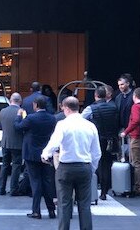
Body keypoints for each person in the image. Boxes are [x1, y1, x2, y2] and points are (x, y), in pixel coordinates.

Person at [42, 96, 101, 230]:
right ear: (78, 108)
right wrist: (91, 168)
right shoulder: (90, 126)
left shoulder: (63, 124)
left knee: (64, 204)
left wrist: (45, 154)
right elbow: (96, 152)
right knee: (85, 204)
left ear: (66, 108)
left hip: (66, 167)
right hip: (84, 166)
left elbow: (54, 143)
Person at [15, 96, 57, 219]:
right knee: (47, 182)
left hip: (31, 154)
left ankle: (36, 211)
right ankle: (51, 210)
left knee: (36, 182)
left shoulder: (31, 118)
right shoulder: (52, 118)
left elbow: (18, 127)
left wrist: (18, 116)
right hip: (46, 153)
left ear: (35, 105)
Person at [81, 86, 119, 200]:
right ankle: (104, 191)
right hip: (111, 139)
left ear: (96, 95)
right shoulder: (114, 107)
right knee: (106, 164)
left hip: (97, 138)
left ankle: (94, 188)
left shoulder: (91, 108)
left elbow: (81, 120)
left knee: (96, 162)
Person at [120, 87, 140, 195]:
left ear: (135, 96)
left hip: (137, 137)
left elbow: (136, 120)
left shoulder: (136, 107)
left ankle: (137, 186)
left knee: (137, 163)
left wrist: (126, 132)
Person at [0, 92, 24, 196]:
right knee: (16, 166)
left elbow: (0, 126)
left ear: (10, 100)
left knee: (5, 165)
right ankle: (13, 189)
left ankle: (1, 188)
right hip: (18, 143)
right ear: (20, 101)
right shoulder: (22, 112)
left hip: (5, 142)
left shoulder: (3, 111)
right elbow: (24, 126)